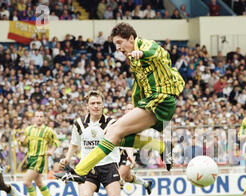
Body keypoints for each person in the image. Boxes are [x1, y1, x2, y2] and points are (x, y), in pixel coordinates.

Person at [56, 22, 185, 183]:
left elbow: (158, 52)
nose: (117, 47)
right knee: (115, 136)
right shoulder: (132, 59)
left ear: (131, 38)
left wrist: (141, 53)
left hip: (161, 100)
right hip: (152, 102)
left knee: (114, 129)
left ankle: (80, 171)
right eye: (115, 44)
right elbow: (139, 86)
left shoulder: (146, 45)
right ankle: (162, 147)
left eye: (119, 43)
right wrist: (137, 106)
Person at [58, 91, 135, 196]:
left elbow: (125, 140)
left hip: (108, 165)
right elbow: (75, 143)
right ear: (87, 106)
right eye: (92, 103)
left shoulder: (111, 123)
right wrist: (67, 158)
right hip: (88, 167)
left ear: (103, 104)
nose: (95, 106)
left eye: (98, 103)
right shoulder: (79, 123)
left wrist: (130, 154)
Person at [101, 103, 152, 196]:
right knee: (128, 177)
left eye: (131, 109)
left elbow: (132, 142)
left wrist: (130, 155)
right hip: (119, 153)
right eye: (127, 109)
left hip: (130, 153)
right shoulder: (120, 122)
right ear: (125, 111)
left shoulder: (137, 124)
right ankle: (146, 183)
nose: (129, 110)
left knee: (120, 176)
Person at [19, 110, 59, 196]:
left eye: (41, 116)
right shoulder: (28, 130)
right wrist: (22, 141)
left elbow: (56, 141)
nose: (39, 118)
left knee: (26, 181)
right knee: (39, 183)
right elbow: (24, 144)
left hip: (39, 158)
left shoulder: (47, 130)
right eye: (37, 116)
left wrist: (51, 150)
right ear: (34, 118)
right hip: (30, 158)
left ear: (44, 118)